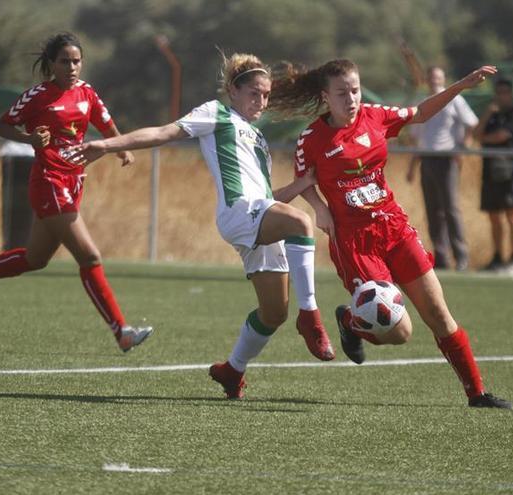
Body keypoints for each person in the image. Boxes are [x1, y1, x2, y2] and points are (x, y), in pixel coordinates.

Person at [73, 52, 336, 399]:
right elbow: (164, 132)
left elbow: (267, 196)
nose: (261, 100)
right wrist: (107, 144)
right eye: (254, 92)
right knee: (301, 222)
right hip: (238, 213)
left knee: (273, 314)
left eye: (266, 94)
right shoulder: (216, 113)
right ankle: (311, 317)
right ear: (233, 90)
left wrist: (301, 186)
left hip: (259, 215)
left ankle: (232, 370)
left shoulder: (257, 140)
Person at [269, 59, 512, 409]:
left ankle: (477, 393)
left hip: (394, 228)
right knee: (400, 332)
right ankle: (352, 321)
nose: (351, 98)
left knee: (440, 315)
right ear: (326, 97)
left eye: (355, 89)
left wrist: (460, 85)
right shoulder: (312, 138)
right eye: (342, 93)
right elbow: (305, 181)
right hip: (355, 242)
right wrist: (320, 208)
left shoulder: (375, 115)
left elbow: (420, 113)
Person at [0, 33, 152, 352]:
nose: (71, 66)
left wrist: (121, 149)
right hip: (48, 181)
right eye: (64, 61)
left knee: (35, 259)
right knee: (89, 256)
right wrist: (30, 139)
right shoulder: (38, 96)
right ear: (52, 64)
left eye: (76, 60)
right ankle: (121, 331)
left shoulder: (87, 93)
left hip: (75, 182)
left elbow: (107, 125)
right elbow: (3, 126)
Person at [406, 66, 478, 271]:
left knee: (451, 208)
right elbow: (416, 138)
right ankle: (442, 256)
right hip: (427, 159)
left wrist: (462, 148)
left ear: (444, 79)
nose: (434, 81)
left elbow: (471, 123)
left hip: (447, 158)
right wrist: (412, 165)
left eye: (438, 77)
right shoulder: (422, 104)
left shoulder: (455, 99)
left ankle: (461, 256)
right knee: (433, 210)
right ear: (427, 80)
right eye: (431, 77)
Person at [473, 78, 513, 276]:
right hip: (490, 172)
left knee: (512, 217)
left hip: (509, 173)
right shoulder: (491, 114)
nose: (501, 96)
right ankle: (498, 258)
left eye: (505, 92)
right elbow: (476, 133)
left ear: (511, 94)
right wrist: (487, 114)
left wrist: (484, 139)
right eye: (498, 92)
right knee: (494, 217)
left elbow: (501, 136)